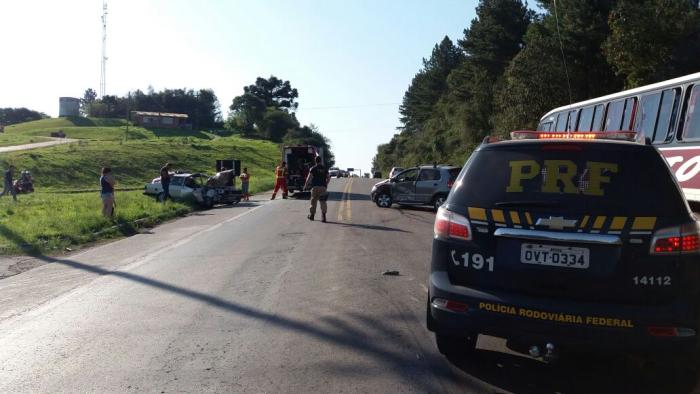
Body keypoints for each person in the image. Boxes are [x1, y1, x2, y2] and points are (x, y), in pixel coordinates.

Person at [304, 156, 330, 222]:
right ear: (321, 161)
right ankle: (323, 217)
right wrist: (326, 184)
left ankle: (312, 216)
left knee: (313, 201)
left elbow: (309, 178)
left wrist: (305, 186)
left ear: (315, 161)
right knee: (323, 202)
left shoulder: (313, 168)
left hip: (315, 187)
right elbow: (328, 178)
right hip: (323, 187)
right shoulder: (324, 168)